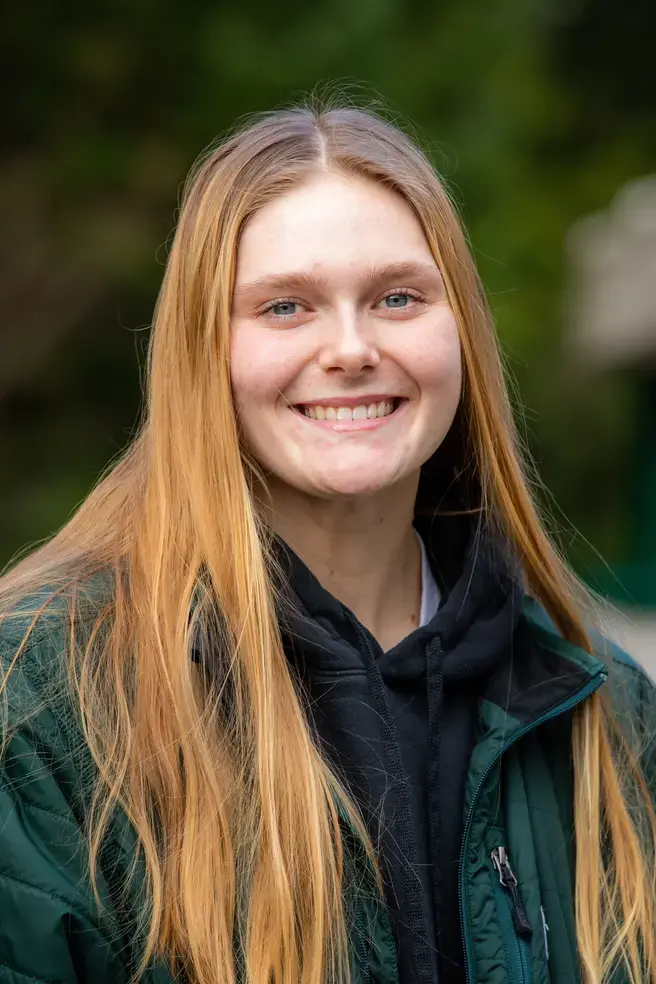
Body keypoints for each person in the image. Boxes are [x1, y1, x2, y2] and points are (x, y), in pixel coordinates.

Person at [0, 99, 654, 984]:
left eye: (397, 297)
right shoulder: (44, 703)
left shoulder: (602, 711)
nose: (350, 348)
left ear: (460, 330)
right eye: (285, 307)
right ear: (204, 350)